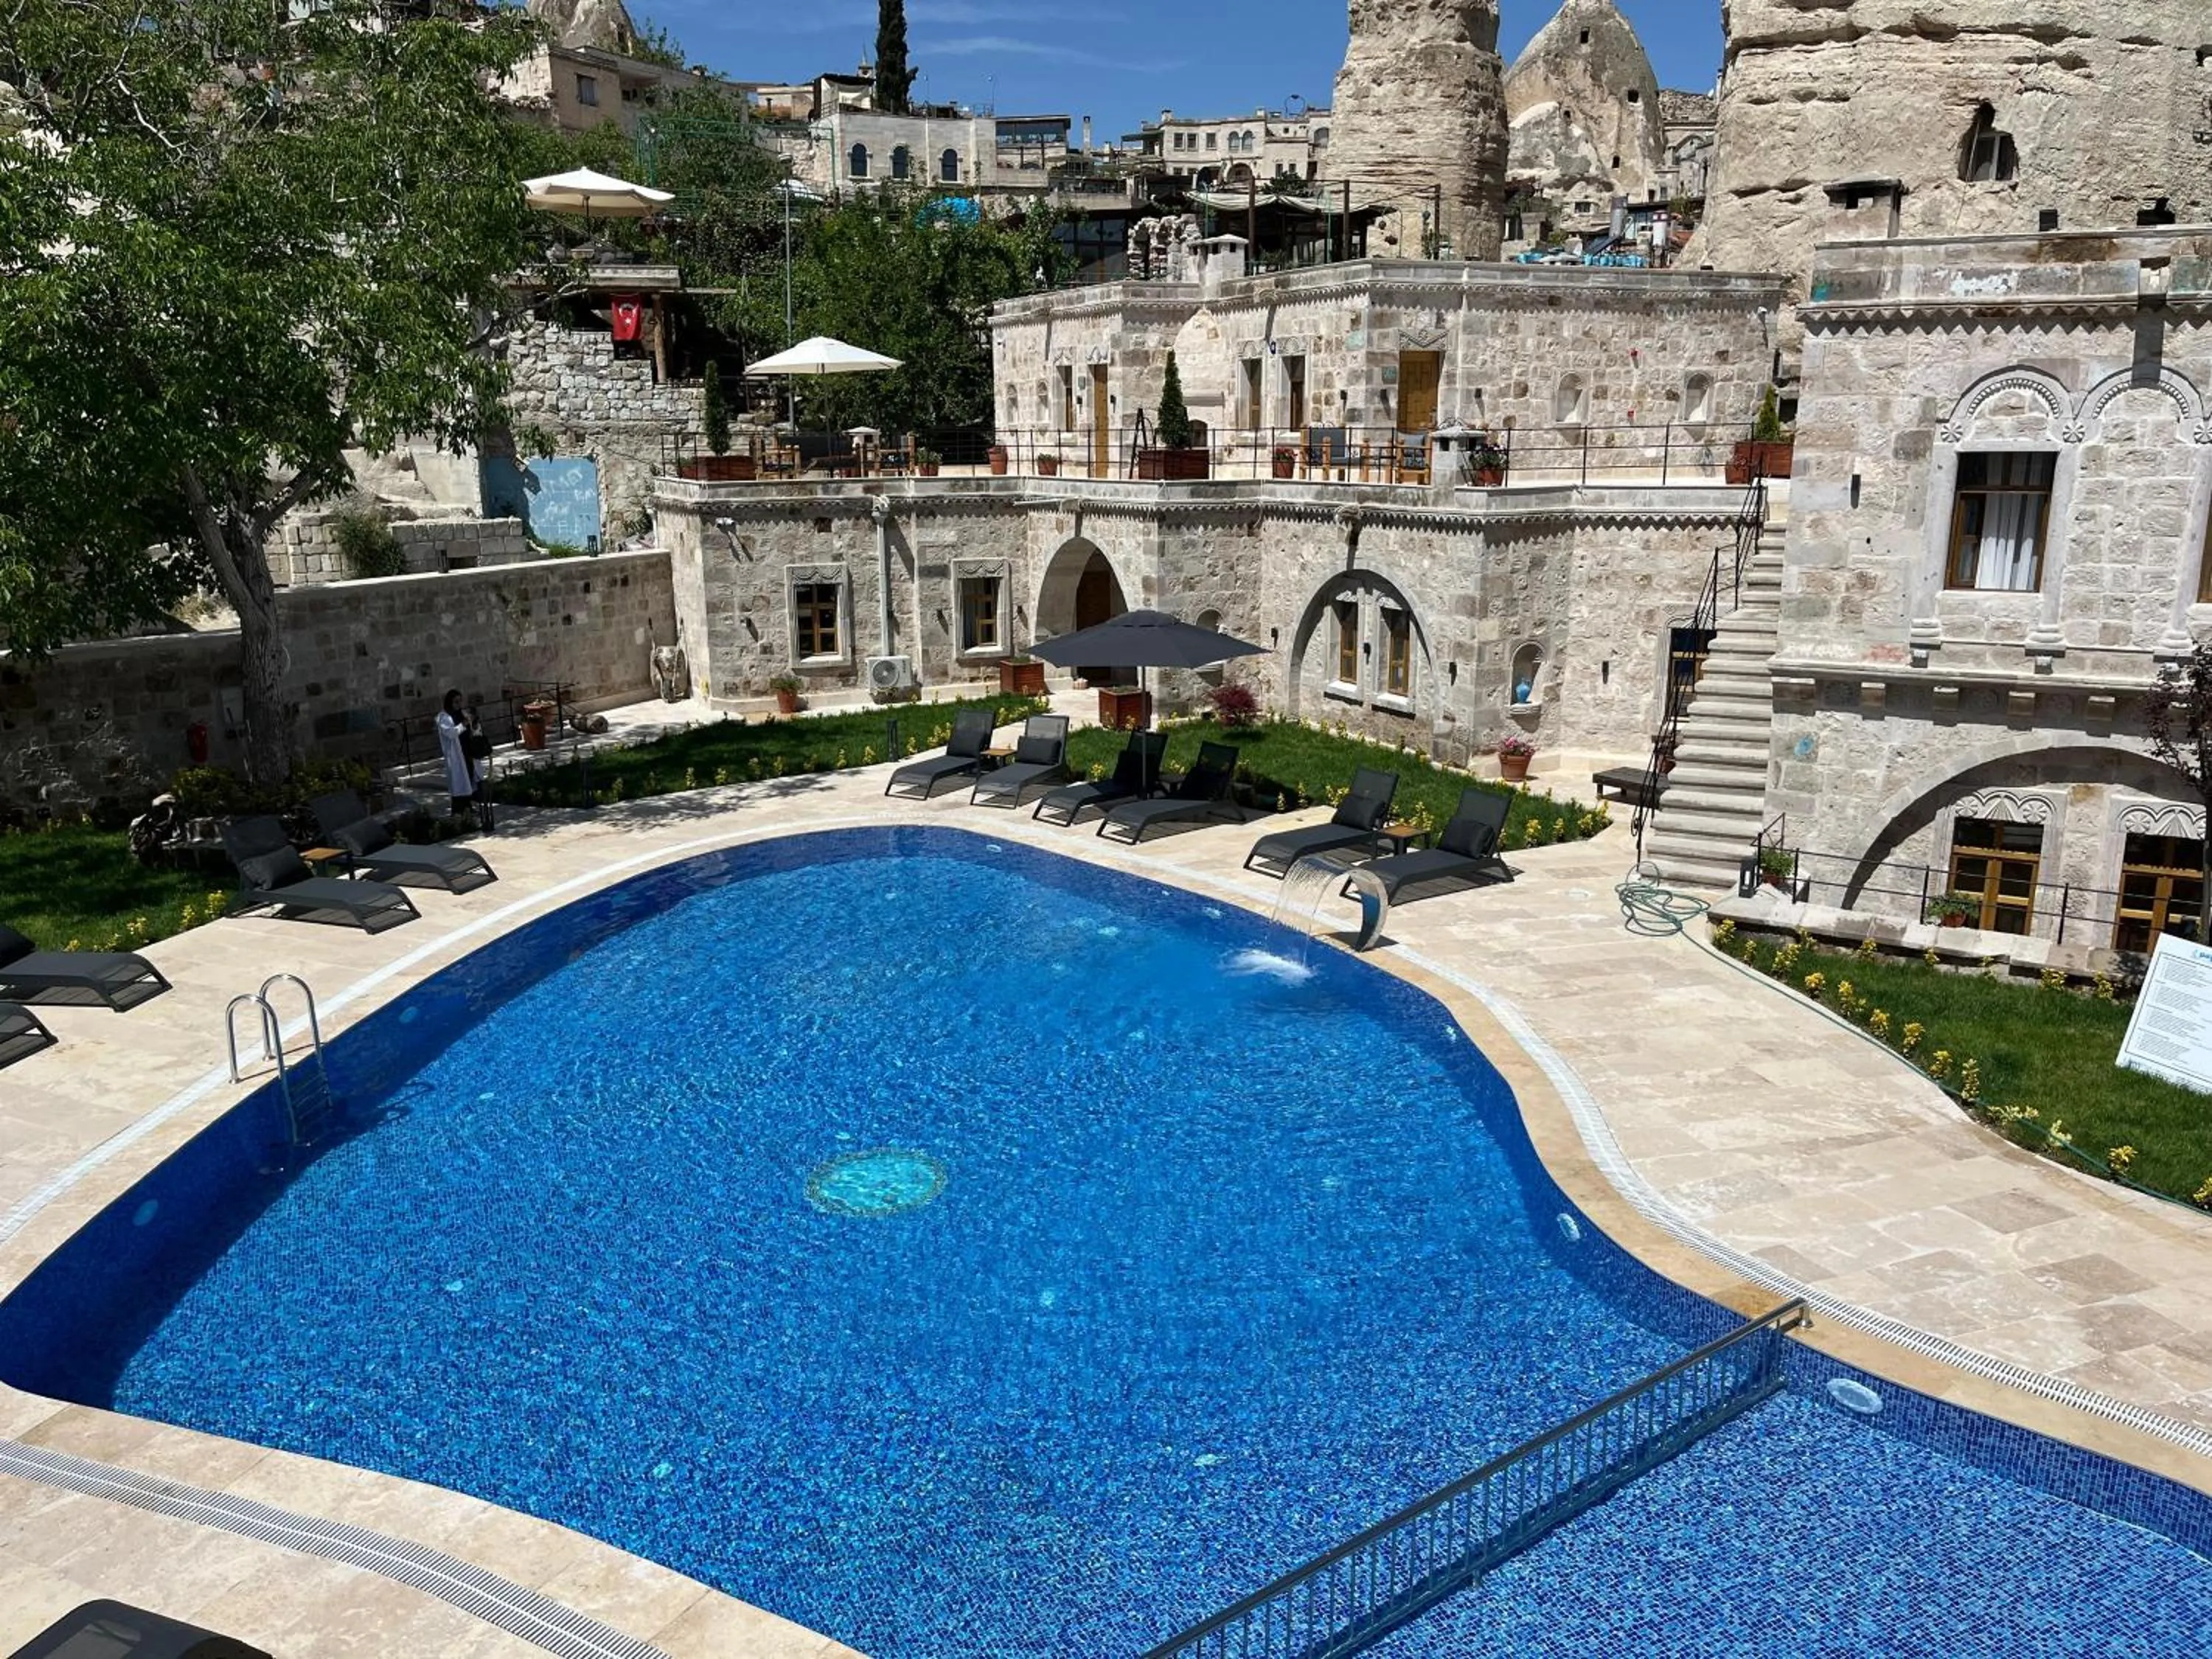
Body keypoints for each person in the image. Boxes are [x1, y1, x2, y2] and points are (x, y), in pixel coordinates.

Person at [435, 689, 486, 826]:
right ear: (450, 702)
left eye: (460, 701)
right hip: (456, 755)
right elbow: (451, 733)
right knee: (459, 783)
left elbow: (474, 731)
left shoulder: (462, 714)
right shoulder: (443, 717)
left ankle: (468, 808)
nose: (458, 704)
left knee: (469, 779)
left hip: (467, 752)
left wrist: (474, 723)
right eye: (456, 702)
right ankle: (458, 812)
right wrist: (464, 724)